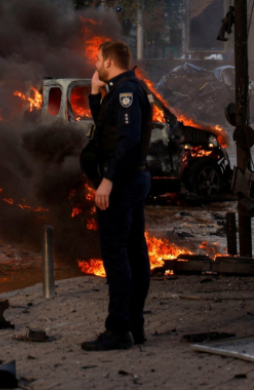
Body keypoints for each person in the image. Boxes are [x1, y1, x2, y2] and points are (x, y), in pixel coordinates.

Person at [80, 40, 153, 352]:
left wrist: (107, 181)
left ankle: (119, 329)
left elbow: (126, 141)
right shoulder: (127, 88)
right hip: (132, 178)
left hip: (122, 181)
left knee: (118, 254)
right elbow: (107, 131)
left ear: (108, 61)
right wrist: (95, 96)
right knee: (134, 251)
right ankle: (134, 325)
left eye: (98, 59)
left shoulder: (125, 93)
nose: (95, 64)